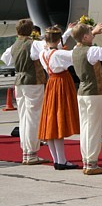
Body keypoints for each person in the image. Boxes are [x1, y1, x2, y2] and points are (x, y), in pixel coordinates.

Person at [1, 19, 63, 165]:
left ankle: (26, 151)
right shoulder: (33, 44)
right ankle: (31, 152)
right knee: (33, 118)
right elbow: (52, 45)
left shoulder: (14, 45)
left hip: (19, 81)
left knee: (23, 117)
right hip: (32, 82)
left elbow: (5, 59)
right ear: (31, 31)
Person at [71, 22, 102, 175]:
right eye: (90, 32)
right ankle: (92, 163)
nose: (92, 33)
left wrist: (93, 33)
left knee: (85, 128)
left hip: (82, 92)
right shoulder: (91, 51)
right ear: (85, 36)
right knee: (93, 128)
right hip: (93, 92)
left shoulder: (75, 50)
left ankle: (87, 160)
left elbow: (87, 44)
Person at [38, 26, 81, 170]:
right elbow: (75, 55)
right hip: (61, 84)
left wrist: (67, 33)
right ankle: (61, 160)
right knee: (59, 121)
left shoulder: (43, 53)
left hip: (51, 83)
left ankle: (57, 159)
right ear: (57, 40)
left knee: (51, 121)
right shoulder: (59, 54)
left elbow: (59, 49)